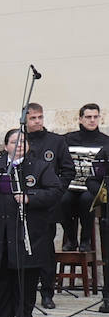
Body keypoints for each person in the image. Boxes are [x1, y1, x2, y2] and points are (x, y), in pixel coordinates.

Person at [0, 129, 60, 317]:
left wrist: (30, 198)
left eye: (23, 142)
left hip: (27, 235)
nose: (19, 145)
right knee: (0, 281)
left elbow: (55, 191)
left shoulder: (40, 167)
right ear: (6, 146)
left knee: (25, 281)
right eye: (14, 142)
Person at [22, 103, 73, 308]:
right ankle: (24, 291)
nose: (37, 121)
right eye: (33, 118)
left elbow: (68, 170)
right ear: (25, 119)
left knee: (45, 249)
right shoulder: (18, 139)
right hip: (22, 204)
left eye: (40, 117)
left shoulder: (56, 141)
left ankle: (47, 292)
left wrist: (56, 192)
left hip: (47, 205)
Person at [62, 103, 109, 251]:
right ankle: (71, 238)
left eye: (96, 117)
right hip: (71, 186)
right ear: (80, 119)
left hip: (97, 189)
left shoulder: (106, 141)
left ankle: (85, 240)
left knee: (87, 199)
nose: (92, 120)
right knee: (63, 200)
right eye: (88, 117)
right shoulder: (68, 139)